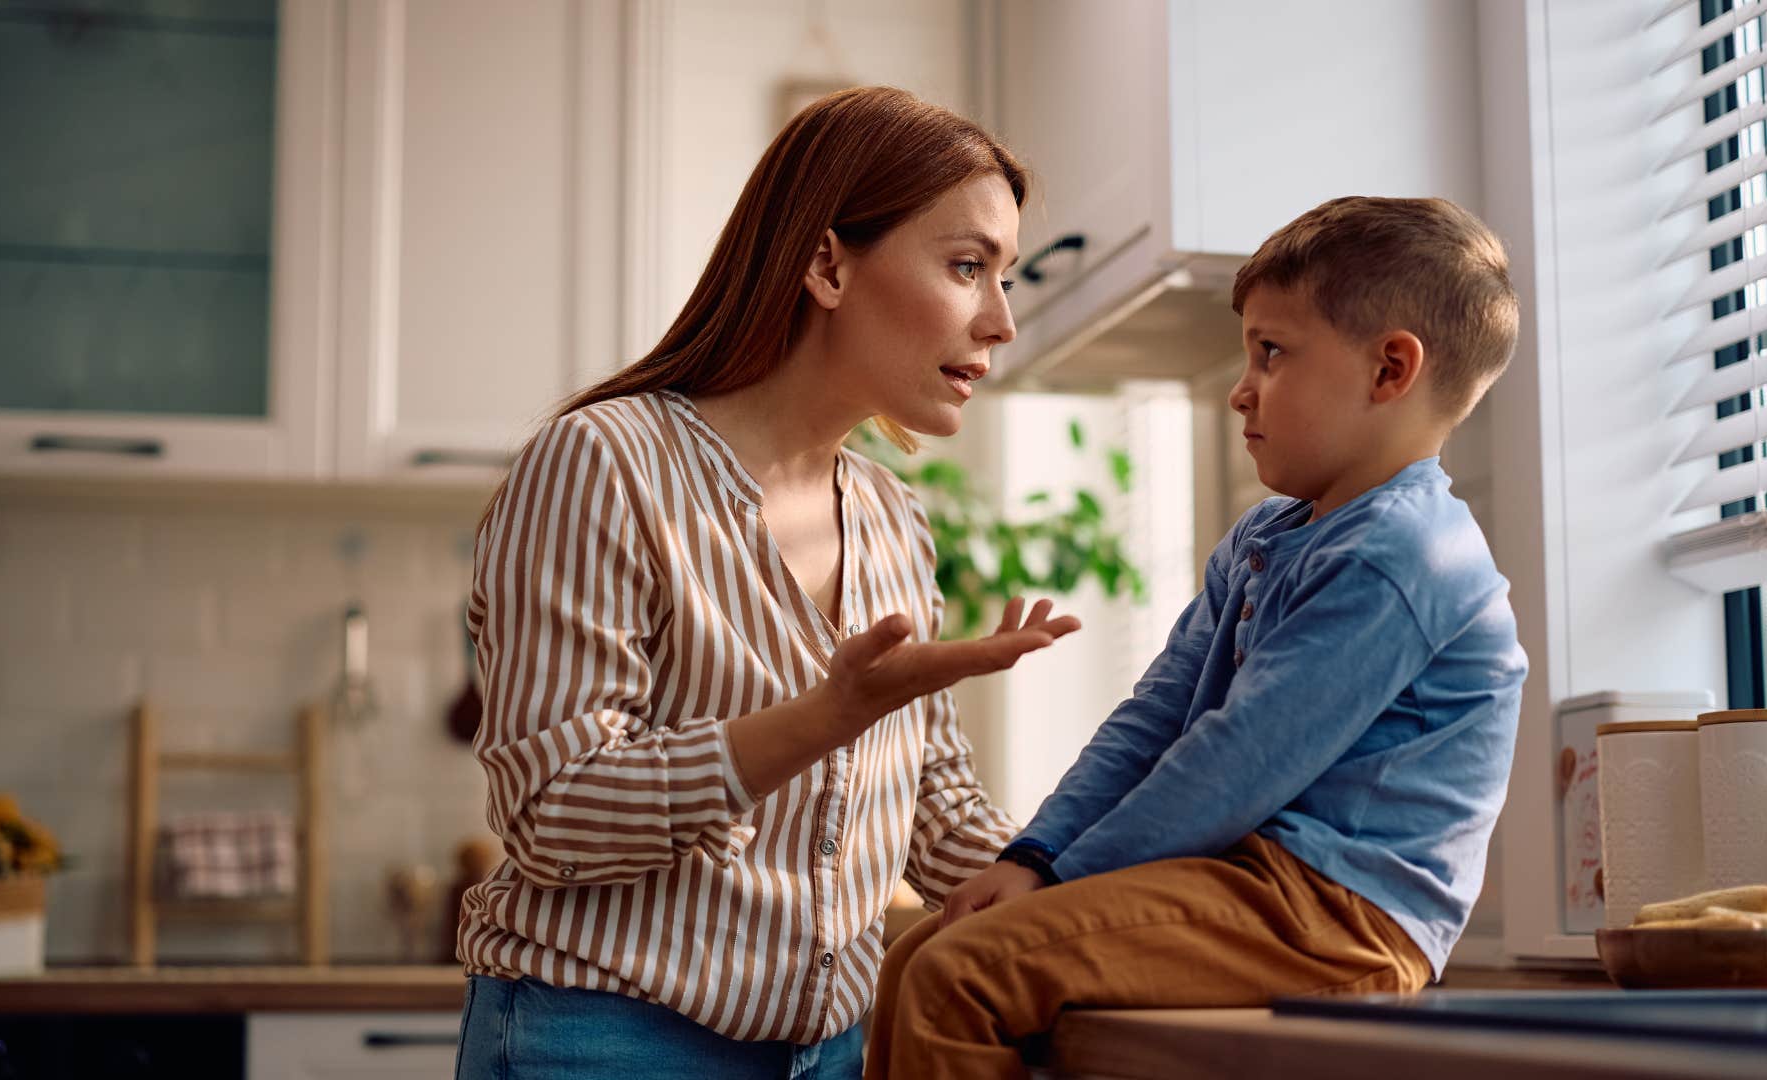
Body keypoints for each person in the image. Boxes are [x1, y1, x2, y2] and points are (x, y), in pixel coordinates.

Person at [451, 85, 1080, 1080]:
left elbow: (930, 802)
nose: (1001, 320)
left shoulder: (889, 518)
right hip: (608, 1043)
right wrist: (823, 716)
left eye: (1004, 277)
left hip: (832, 1051)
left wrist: (1106, 892)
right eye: (968, 267)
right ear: (828, 264)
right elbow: (551, 810)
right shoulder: (603, 464)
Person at [865, 195, 1529, 1080]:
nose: (1240, 386)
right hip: (1250, 884)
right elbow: (1154, 719)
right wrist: (1032, 854)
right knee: (919, 955)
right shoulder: (1268, 538)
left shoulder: (1402, 554)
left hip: (1345, 918)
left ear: (1390, 369)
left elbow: (1235, 763)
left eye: (1273, 352)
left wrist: (1063, 883)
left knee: (959, 971)